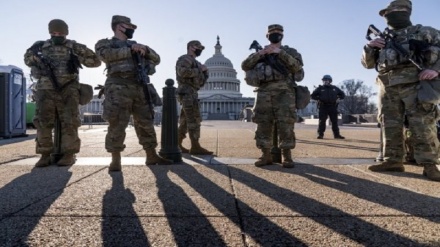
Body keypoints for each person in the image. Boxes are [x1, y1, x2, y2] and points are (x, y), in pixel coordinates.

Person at [361, 0, 440, 181]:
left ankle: (430, 165)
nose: (393, 15)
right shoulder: (382, 38)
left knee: (422, 124)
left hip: (416, 83)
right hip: (387, 86)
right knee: (389, 125)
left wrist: (435, 69)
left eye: (398, 10)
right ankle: (392, 160)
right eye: (389, 12)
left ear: (408, 12)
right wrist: (369, 47)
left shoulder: (425, 32)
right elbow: (367, 64)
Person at [95, 15, 172, 172]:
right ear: (119, 27)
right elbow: (105, 55)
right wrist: (129, 50)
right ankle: (115, 159)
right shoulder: (106, 43)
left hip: (139, 88)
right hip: (118, 88)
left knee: (146, 123)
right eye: (129, 26)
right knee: (117, 124)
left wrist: (146, 50)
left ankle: (151, 155)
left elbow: (157, 59)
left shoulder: (137, 45)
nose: (132, 30)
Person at [24, 19, 101, 167]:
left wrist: (80, 55)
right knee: (43, 122)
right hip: (45, 90)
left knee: (70, 122)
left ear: (66, 32)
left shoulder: (74, 47)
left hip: (68, 89)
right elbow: (27, 59)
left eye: (60, 32)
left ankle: (69, 154)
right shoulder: (40, 47)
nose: (56, 35)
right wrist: (36, 59)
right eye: (53, 32)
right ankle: (45, 154)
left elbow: (95, 62)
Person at [241, 24, 304, 168]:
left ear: (283, 34)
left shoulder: (290, 51)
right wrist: (260, 54)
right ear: (267, 35)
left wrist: (279, 52)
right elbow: (245, 65)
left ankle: (286, 156)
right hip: (263, 91)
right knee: (263, 123)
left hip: (284, 91)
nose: (275, 34)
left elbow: (297, 68)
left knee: (286, 123)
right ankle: (265, 155)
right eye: (272, 32)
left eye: (278, 32)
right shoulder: (260, 52)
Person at [175, 40, 213, 155]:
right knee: (193, 119)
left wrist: (205, 73)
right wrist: (199, 70)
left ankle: (177, 144)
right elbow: (182, 72)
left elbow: (200, 82)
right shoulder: (185, 59)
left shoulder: (196, 62)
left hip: (192, 92)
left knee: (185, 121)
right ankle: (195, 146)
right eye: (199, 47)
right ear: (191, 47)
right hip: (186, 91)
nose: (200, 49)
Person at [311, 75, 345, 139]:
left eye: (327, 80)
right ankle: (320, 135)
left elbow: (342, 95)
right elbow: (312, 95)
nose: (325, 81)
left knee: (334, 121)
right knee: (322, 121)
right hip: (323, 106)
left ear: (330, 81)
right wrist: (319, 98)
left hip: (333, 106)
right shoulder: (320, 88)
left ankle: (336, 135)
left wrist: (339, 98)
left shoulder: (334, 88)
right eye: (324, 80)